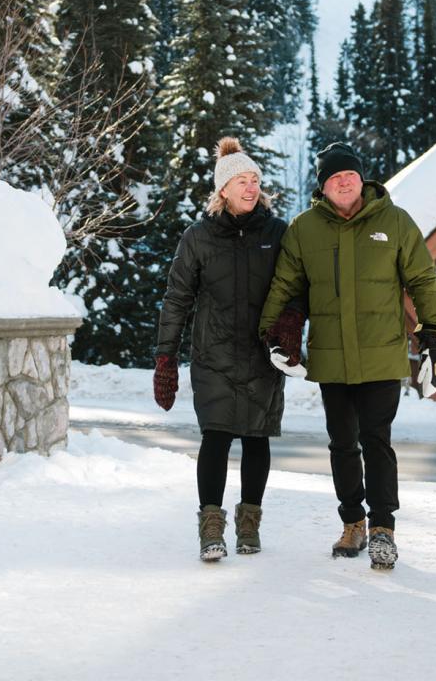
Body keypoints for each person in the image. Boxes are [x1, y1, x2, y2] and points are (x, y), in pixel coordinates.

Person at [258, 142, 436, 570]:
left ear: (362, 179)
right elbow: (286, 286)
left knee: (376, 440)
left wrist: (432, 333)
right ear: (322, 186)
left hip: (382, 356)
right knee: (342, 443)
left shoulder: (395, 222)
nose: (344, 181)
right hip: (331, 357)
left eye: (350, 174)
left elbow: (422, 279)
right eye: (334, 176)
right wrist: (271, 333)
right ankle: (353, 523)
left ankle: (383, 529)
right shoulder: (305, 229)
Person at [153, 137, 305, 562]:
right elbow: (177, 299)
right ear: (223, 189)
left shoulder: (277, 234)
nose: (251, 186)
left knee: (257, 440)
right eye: (241, 180)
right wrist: (166, 356)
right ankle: (211, 527)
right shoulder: (198, 238)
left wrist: (290, 326)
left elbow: (296, 287)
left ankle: (249, 524)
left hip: (262, 356)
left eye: (255, 179)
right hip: (213, 357)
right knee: (216, 438)